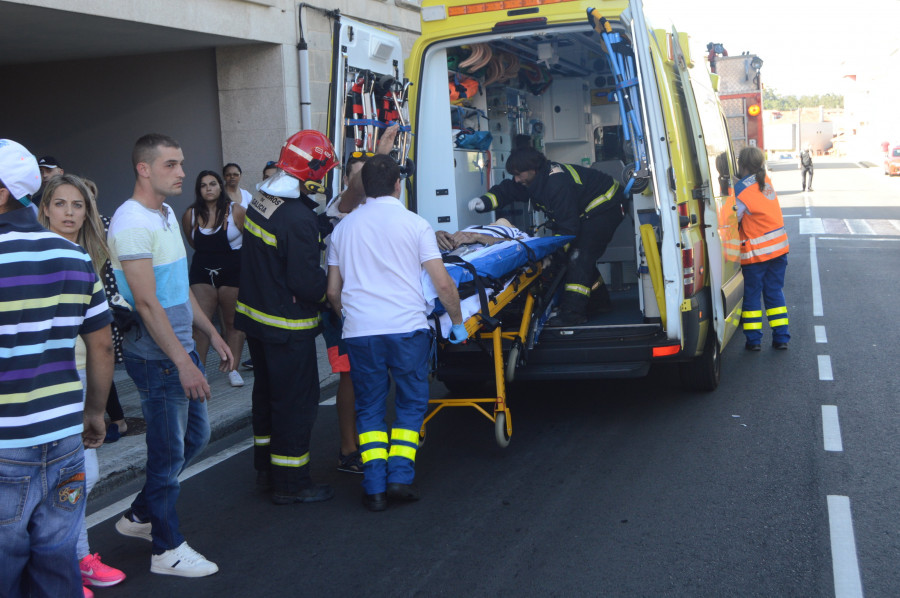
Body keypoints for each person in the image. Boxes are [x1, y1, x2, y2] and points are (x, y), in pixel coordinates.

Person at [109, 133, 233, 578]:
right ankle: (167, 549)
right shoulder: (130, 223)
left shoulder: (163, 214)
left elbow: (177, 291)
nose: (183, 172)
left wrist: (212, 333)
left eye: (181, 164)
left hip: (181, 350)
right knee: (166, 455)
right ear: (144, 168)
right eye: (172, 165)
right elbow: (146, 304)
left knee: (193, 439)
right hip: (160, 359)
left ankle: (141, 515)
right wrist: (183, 361)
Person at [0, 139, 113, 598]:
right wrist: (95, 412)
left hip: (6, 441)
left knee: (6, 563)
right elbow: (101, 344)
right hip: (64, 434)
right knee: (56, 556)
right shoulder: (75, 256)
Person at [327, 154, 466, 512]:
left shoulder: (342, 229)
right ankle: (400, 478)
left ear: (364, 186)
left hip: (361, 333)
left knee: (370, 408)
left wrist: (351, 319)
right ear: (397, 184)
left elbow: (332, 292)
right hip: (406, 329)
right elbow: (443, 284)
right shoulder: (415, 224)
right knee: (410, 404)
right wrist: (458, 324)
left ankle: (373, 486)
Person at [235, 130, 337, 505]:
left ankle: (267, 469)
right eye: (322, 172)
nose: (322, 181)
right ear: (310, 172)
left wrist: (322, 225)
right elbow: (306, 282)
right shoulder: (297, 219)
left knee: (267, 398)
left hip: (257, 322)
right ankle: (292, 482)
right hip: (287, 327)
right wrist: (332, 296)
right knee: (296, 404)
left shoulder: (265, 199)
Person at [38, 174, 127, 592]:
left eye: (77, 205)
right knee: (66, 478)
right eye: (60, 204)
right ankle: (60, 564)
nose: (70, 213)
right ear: (44, 209)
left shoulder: (87, 255)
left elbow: (100, 340)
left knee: (79, 477)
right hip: (41, 381)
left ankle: (75, 558)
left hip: (77, 375)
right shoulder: (33, 253)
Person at [468, 146, 626, 326]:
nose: (517, 179)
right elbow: (508, 190)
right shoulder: (533, 180)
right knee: (577, 256)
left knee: (578, 256)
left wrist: (552, 256)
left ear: (533, 170)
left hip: (607, 206)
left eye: (519, 174)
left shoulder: (556, 183)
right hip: (587, 211)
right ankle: (600, 302)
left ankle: (572, 314)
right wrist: (485, 202)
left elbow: (568, 228)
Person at [322, 125, 399, 475]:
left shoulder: (377, 213)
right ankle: (349, 448)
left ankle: (369, 440)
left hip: (369, 311)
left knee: (373, 378)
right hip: (340, 314)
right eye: (359, 178)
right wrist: (378, 158)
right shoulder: (339, 210)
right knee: (350, 378)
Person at [181, 170, 246, 387]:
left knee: (232, 323)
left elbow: (251, 242)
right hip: (202, 271)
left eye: (212, 184)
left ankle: (233, 368)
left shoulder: (236, 211)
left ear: (220, 187)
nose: (208, 188)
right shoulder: (190, 214)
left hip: (232, 272)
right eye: (203, 185)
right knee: (200, 325)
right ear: (198, 190)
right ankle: (200, 370)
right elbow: (193, 242)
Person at [81, 178, 128, 441]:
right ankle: (115, 419)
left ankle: (116, 420)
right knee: (93, 360)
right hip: (84, 301)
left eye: (87, 197)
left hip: (108, 299)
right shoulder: (70, 230)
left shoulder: (108, 225)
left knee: (101, 358)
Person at [735, 146, 790, 351]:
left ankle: (754, 341)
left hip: (756, 254)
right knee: (775, 292)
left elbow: (733, 219)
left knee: (752, 296)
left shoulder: (741, 190)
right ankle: (781, 338)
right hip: (779, 250)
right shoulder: (765, 180)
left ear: (741, 165)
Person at [240, 160, 280, 373]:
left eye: (274, 176)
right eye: (266, 177)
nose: (269, 182)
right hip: (257, 284)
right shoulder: (257, 205)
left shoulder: (290, 209)